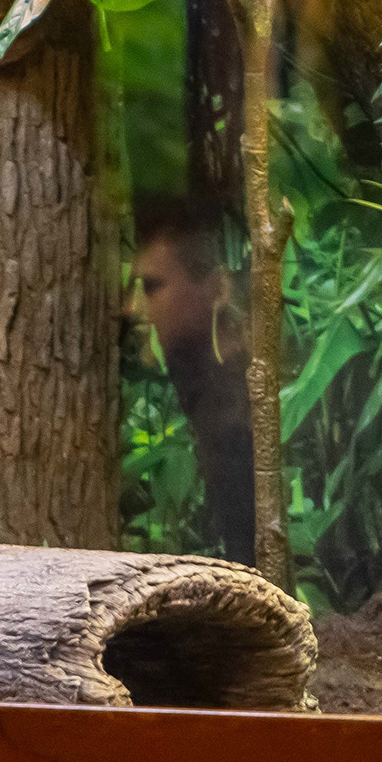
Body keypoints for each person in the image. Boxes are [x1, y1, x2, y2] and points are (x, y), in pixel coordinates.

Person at [133, 200, 254, 566]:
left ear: (216, 288)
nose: (134, 309)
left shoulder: (247, 395)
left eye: (152, 287)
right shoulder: (207, 386)